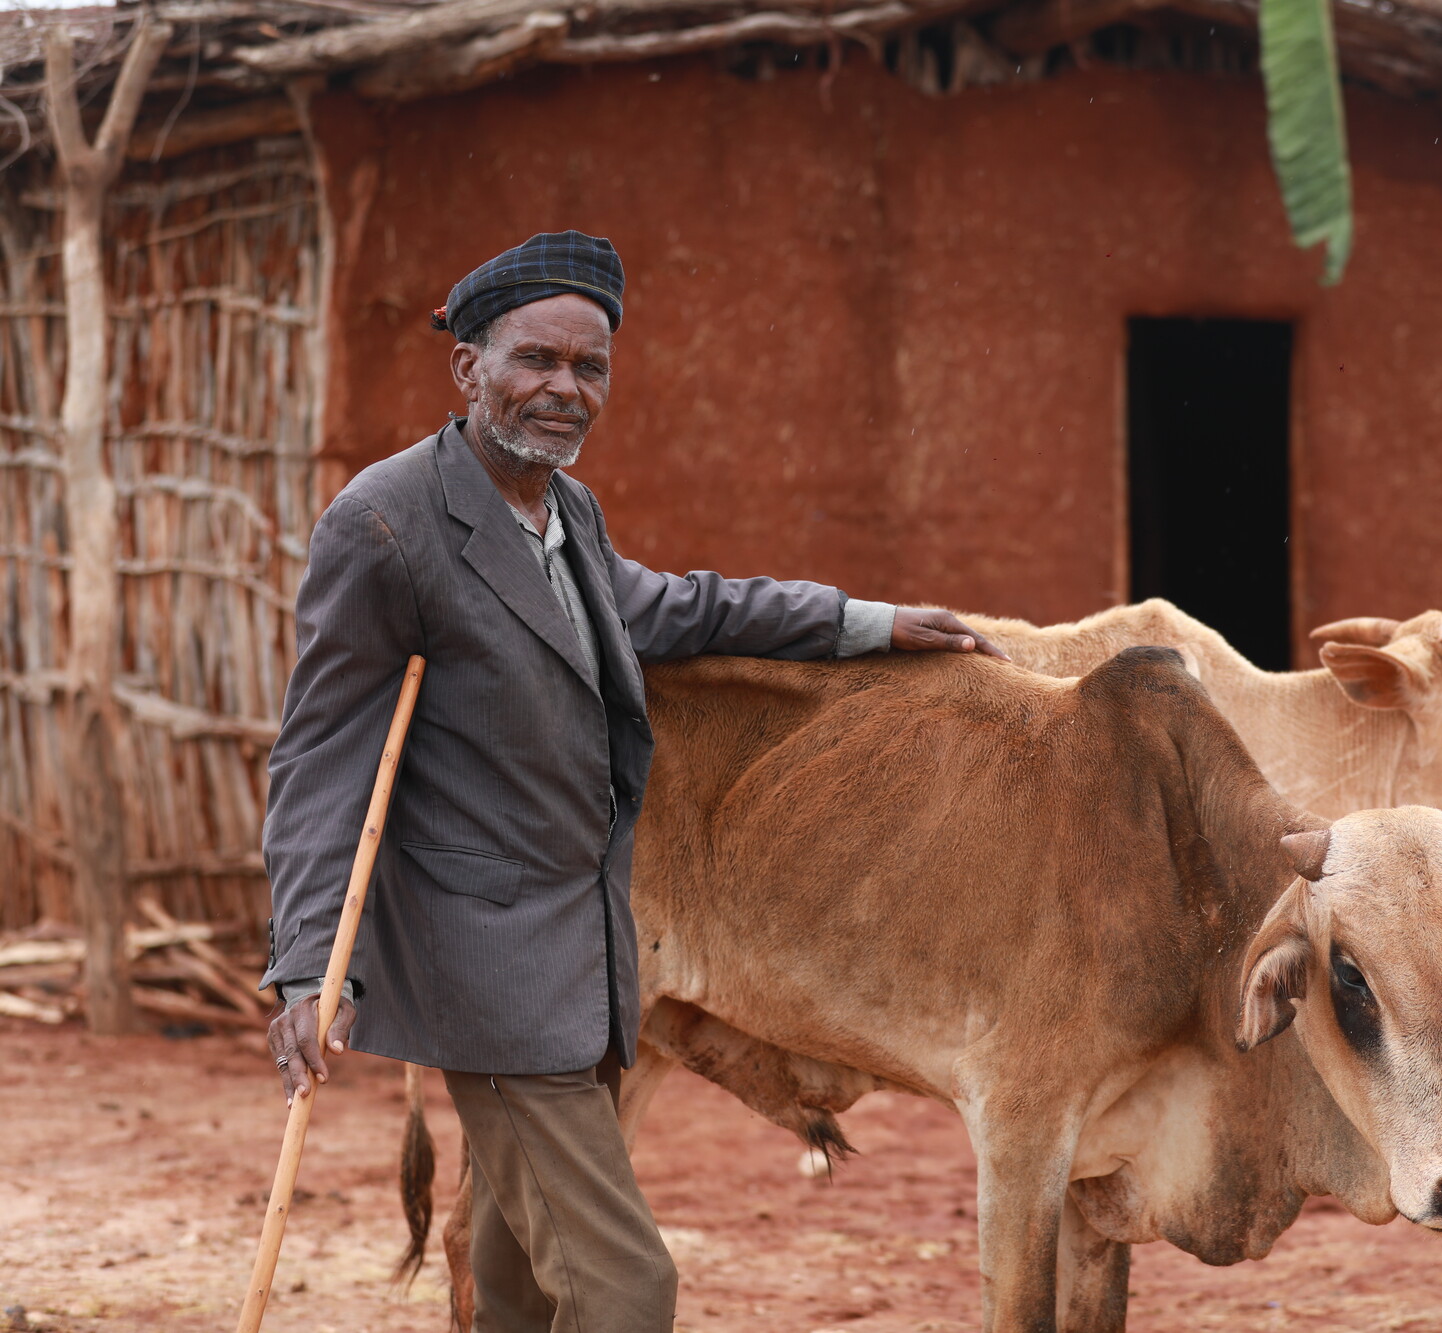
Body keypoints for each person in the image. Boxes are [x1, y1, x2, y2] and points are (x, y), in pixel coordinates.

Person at [259, 230, 1002, 1333]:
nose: (563, 388)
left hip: (586, 961)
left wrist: (863, 621)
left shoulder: (568, 515)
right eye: (535, 360)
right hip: (488, 970)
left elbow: (674, 608)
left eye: (588, 367)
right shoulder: (388, 521)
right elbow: (323, 757)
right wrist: (310, 965)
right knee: (623, 1289)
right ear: (469, 367)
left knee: (514, 1285)